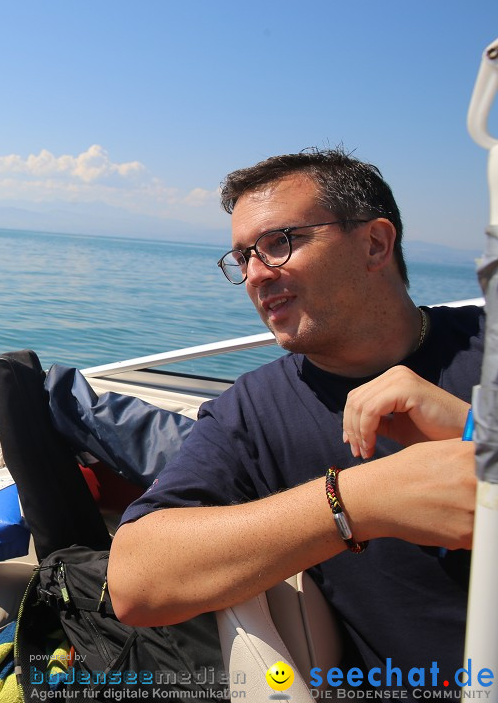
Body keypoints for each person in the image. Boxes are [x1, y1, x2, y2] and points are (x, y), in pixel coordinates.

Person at [106, 148, 482, 682]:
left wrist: (475, 432)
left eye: (279, 243)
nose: (256, 275)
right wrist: (354, 501)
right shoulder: (254, 411)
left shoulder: (485, 345)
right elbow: (135, 582)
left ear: (375, 244)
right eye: (243, 257)